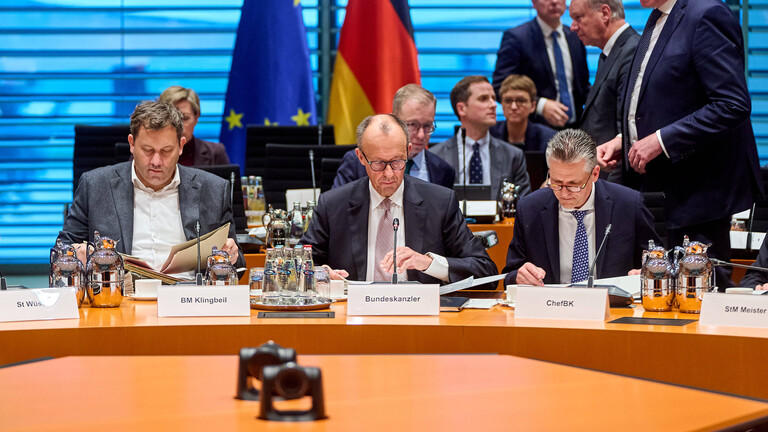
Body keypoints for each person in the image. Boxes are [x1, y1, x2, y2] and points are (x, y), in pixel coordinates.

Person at [595, 0, 762, 290]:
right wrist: (628, 139)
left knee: (699, 303)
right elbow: (669, 99)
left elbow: (731, 104)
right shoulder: (657, 17)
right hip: (659, 192)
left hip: (699, 194)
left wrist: (660, 141)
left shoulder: (706, 14)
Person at [301, 114, 497, 286]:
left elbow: (485, 270)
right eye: (378, 163)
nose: (389, 174)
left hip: (420, 317)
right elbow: (300, 264)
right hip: (354, 317)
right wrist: (321, 274)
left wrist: (429, 263)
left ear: (408, 151)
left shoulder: (440, 203)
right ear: (361, 157)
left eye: (397, 162)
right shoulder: (334, 204)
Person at [57, 100, 244, 276]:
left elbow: (239, 262)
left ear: (180, 146)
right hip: (120, 298)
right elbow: (62, 251)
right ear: (131, 144)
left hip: (188, 300)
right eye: (147, 150)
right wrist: (76, 253)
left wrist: (232, 255)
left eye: (166, 151)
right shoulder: (95, 185)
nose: (156, 161)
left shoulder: (213, 189)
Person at [503, 129, 660, 286]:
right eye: (556, 182)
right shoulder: (530, 208)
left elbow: (658, 262)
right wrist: (519, 276)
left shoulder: (629, 205)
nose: (564, 193)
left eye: (574, 185)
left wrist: (650, 272)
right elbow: (509, 274)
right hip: (552, 306)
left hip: (613, 306)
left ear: (595, 174)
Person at [333, 84, 455, 189]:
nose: (421, 135)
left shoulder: (443, 170)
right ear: (395, 120)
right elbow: (337, 208)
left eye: (427, 126)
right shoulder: (358, 162)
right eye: (413, 125)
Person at [429, 76, 531, 199]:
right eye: (483, 99)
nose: (493, 105)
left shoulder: (513, 156)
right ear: (461, 108)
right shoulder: (435, 156)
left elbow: (523, 206)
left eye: (493, 98)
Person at [492, 0, 590, 128]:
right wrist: (540, 105)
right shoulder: (517, 38)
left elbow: (583, 85)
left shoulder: (575, 36)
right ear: (533, 3)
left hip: (577, 129)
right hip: (536, 131)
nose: (554, 2)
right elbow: (500, 86)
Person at [569, 0, 638, 149]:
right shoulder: (610, 52)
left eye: (578, 17)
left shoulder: (633, 51)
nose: (572, 27)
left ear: (605, 13)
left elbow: (626, 135)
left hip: (612, 167)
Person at [159, 85, 230, 167]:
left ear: (196, 117)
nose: (179, 125)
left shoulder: (216, 153)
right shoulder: (149, 153)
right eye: (172, 118)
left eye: (185, 118)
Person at [489, 74, 556, 152]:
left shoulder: (550, 139)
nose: (514, 107)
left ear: (533, 106)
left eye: (521, 101)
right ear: (502, 105)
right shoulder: (489, 134)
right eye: (508, 101)